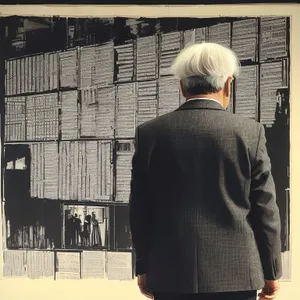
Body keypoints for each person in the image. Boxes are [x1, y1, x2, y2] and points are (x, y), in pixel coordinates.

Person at [129, 42, 282, 300]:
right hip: (237, 276)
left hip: (170, 274)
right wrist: (272, 273)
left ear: (182, 86)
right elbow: (265, 209)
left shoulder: (150, 134)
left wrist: (143, 266)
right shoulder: (249, 133)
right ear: (228, 85)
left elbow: (140, 210)